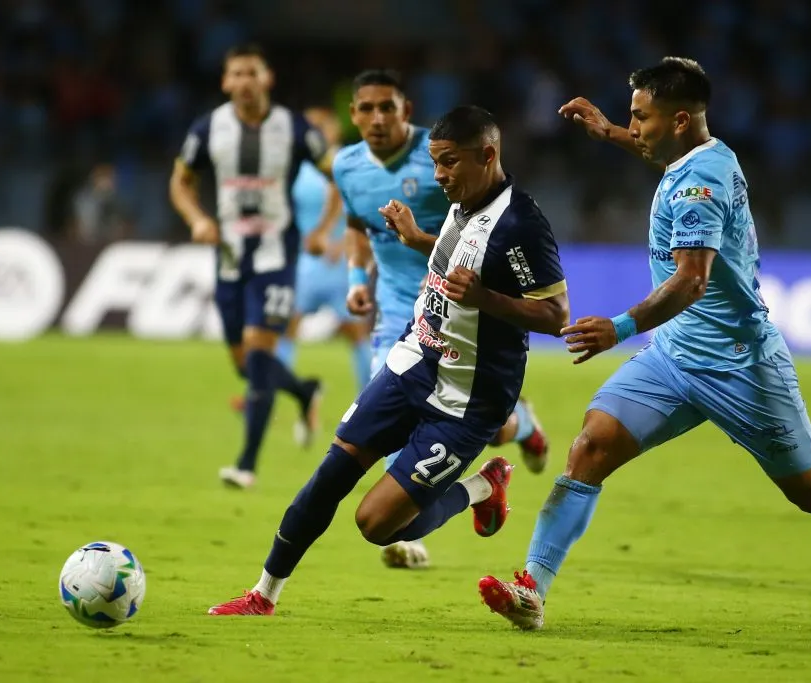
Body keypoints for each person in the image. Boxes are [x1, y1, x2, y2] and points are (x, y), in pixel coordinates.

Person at [478, 57, 811, 631]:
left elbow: (692, 279)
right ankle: (533, 588)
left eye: (641, 118)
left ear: (679, 120)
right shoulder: (698, 154)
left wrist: (620, 327)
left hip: (740, 366)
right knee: (590, 448)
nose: (636, 127)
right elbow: (658, 155)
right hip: (675, 356)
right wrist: (608, 132)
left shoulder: (700, 185)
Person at [207, 105, 571, 616]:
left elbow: (556, 315)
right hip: (411, 362)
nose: (439, 175)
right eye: (436, 162)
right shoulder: (462, 202)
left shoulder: (521, 224)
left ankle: (484, 486)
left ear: (487, 156)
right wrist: (419, 240)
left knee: (377, 524)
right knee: (331, 474)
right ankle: (262, 595)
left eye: (449, 163)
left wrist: (486, 299)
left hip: (467, 400)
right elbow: (457, 258)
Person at [331, 69, 553, 568]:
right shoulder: (346, 166)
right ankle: (405, 532)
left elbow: (481, 232)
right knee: (397, 424)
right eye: (365, 108)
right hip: (400, 317)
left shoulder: (444, 158)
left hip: (468, 321)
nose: (376, 118)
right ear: (353, 115)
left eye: (386, 107)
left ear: (406, 110)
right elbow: (355, 224)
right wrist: (355, 280)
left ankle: (522, 428)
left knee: (485, 428)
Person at [169, 43, 330, 488]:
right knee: (244, 365)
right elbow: (181, 181)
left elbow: (339, 176)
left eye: (251, 73)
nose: (243, 81)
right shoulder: (208, 129)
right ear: (225, 82)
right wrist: (198, 218)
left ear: (267, 78)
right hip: (229, 258)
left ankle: (246, 464)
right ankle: (304, 390)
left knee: (260, 356)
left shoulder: (295, 129)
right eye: (235, 73)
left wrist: (325, 228)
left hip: (277, 257)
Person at [228, 106, 373, 420]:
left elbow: (362, 208)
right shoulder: (297, 165)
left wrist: (340, 242)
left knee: (355, 333)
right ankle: (263, 394)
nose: (315, 131)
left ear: (334, 130)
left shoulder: (346, 164)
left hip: (336, 261)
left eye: (322, 124)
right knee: (283, 328)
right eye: (311, 126)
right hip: (302, 262)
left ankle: (371, 402)